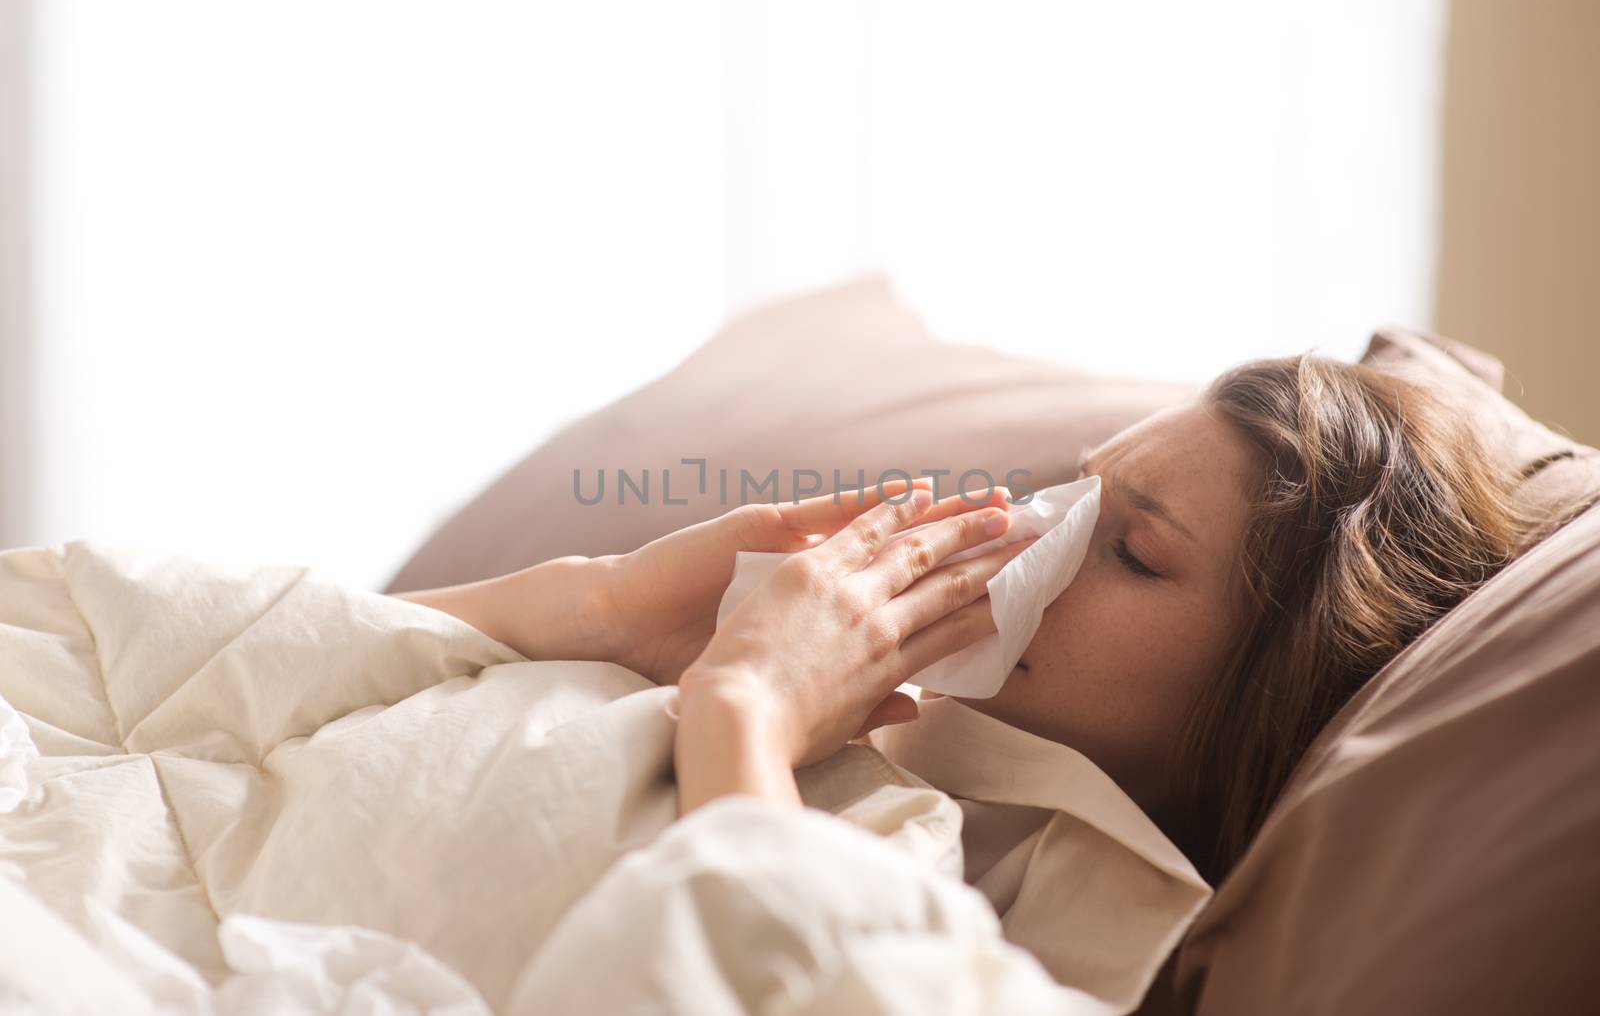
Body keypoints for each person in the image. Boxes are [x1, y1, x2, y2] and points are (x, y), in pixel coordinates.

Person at [396, 352, 1537, 888]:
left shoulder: (1069, 911)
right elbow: (242, 664)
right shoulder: (847, 719)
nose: (1029, 534)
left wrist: (743, 715)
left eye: (1132, 549)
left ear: (1270, 688)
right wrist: (590, 604)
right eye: (1071, 488)